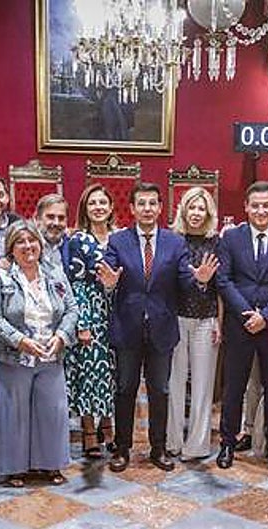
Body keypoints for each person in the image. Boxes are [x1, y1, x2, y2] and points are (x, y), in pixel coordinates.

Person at [97, 182, 210, 471]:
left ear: (160, 208)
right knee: (125, 389)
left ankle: (158, 449)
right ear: (132, 209)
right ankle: (122, 449)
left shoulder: (175, 242)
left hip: (162, 328)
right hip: (128, 328)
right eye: (141, 204)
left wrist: (199, 280)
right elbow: (109, 273)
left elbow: (184, 280)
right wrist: (109, 284)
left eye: (152, 203)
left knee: (160, 390)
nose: (147, 209)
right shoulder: (118, 241)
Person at [0, 221, 78, 486]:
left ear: (40, 244)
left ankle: (50, 465)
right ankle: (15, 469)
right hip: (12, 357)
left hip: (50, 354)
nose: (27, 246)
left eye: (32, 240)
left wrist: (61, 336)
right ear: (11, 248)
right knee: (14, 413)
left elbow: (71, 309)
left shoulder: (55, 273)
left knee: (52, 411)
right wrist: (20, 340)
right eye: (20, 242)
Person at [217, 181, 268, 470]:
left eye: (266, 205)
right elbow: (224, 280)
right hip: (239, 325)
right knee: (233, 387)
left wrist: (265, 316)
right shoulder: (231, 238)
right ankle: (227, 443)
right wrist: (246, 314)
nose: (261, 211)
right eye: (255, 206)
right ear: (246, 207)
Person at [167, 186, 222, 461]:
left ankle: (197, 445)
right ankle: (172, 440)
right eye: (192, 207)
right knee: (174, 382)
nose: (196, 213)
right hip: (175, 318)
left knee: (202, 384)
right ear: (183, 210)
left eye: (202, 208)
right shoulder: (172, 240)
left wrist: (219, 322)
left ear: (209, 213)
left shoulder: (217, 243)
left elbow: (222, 287)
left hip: (206, 318)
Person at [64, 184, 117, 458]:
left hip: (117, 313)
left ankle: (107, 425)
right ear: (85, 209)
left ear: (111, 207)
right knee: (89, 372)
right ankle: (88, 432)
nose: (98, 207)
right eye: (92, 203)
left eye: (102, 202)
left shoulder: (120, 237)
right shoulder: (78, 240)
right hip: (91, 312)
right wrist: (82, 323)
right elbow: (76, 285)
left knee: (112, 372)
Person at [36, 194, 72, 277]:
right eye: (50, 217)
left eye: (61, 218)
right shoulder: (27, 246)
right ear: (38, 219)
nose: (56, 223)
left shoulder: (72, 246)